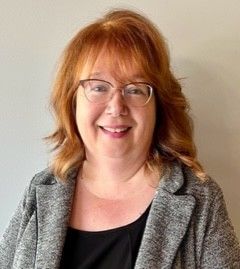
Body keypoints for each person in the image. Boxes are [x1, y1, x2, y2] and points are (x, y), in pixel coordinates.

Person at [0, 8, 240, 269]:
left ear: (159, 105)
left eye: (135, 89)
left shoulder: (200, 200)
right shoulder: (40, 190)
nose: (116, 106)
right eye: (99, 87)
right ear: (72, 102)